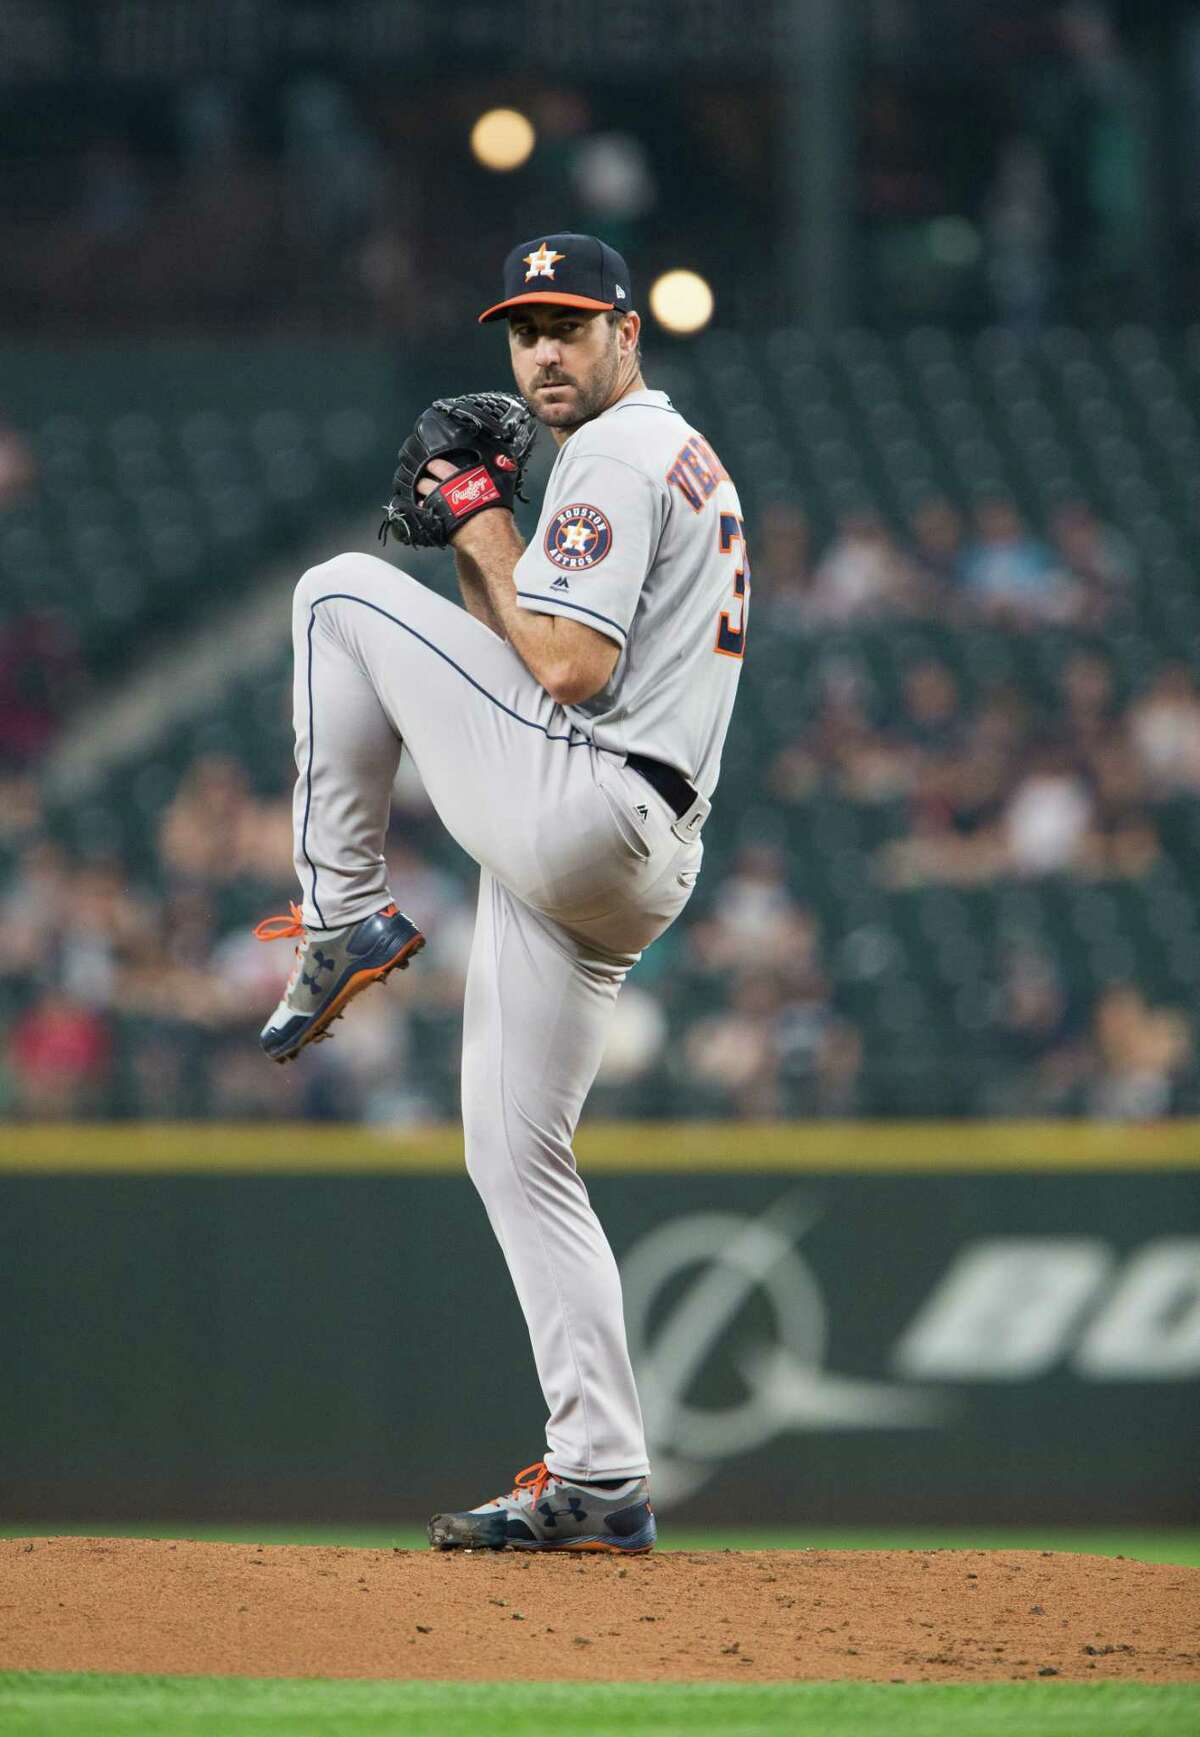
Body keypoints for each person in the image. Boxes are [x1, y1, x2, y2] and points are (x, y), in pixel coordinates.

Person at [254, 233, 747, 1552]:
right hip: (622, 853)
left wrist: (476, 509)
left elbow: (568, 671)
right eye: (524, 329)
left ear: (627, 333)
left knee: (337, 591)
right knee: (515, 1152)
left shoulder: (618, 456)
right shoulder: (673, 457)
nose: (541, 351)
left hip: (587, 800)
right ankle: (601, 1474)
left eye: (569, 326)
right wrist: (484, 532)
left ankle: (341, 905)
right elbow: (540, 653)